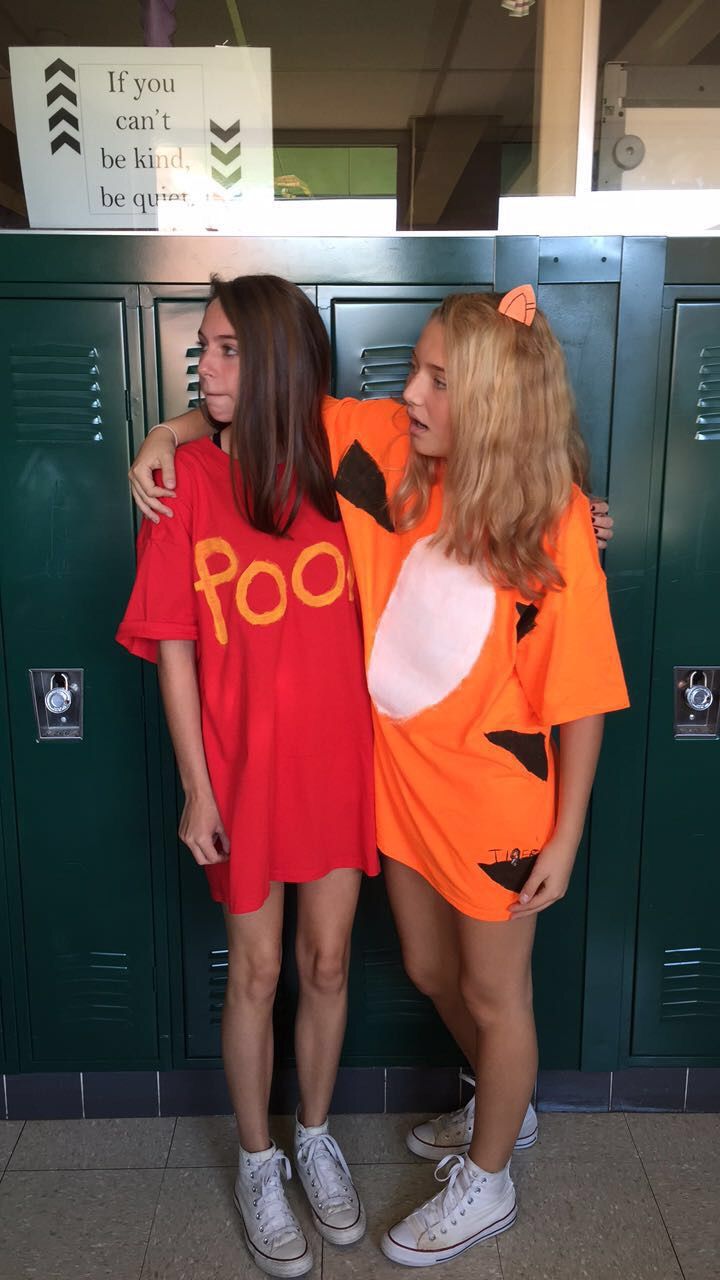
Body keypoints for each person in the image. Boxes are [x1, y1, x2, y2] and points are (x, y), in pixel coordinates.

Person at [129, 281, 627, 1268]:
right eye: (416, 370)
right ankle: (500, 1099)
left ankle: (488, 1178)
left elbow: (581, 694)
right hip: (397, 784)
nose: (411, 391)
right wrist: (163, 425)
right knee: (432, 970)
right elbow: (258, 397)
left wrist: (566, 836)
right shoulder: (383, 454)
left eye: (438, 378)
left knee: (495, 996)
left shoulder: (552, 517)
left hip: (494, 795)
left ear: (488, 399)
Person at [117, 275, 379, 1279]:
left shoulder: (347, 473)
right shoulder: (181, 481)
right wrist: (197, 784)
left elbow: (462, 508)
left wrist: (576, 515)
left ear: (273, 360)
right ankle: (258, 1158)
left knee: (326, 963)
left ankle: (314, 1132)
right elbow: (175, 643)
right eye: (203, 350)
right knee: (258, 971)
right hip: (241, 773)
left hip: (337, 767)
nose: (206, 367)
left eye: (228, 350)